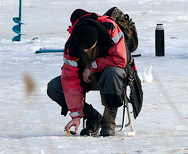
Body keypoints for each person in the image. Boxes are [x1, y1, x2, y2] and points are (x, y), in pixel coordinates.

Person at [47, 9, 130, 137]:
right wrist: (76, 115)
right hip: (85, 79)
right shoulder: (71, 46)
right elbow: (70, 79)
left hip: (112, 75)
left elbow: (120, 60)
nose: (85, 50)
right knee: (54, 87)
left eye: (89, 48)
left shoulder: (110, 29)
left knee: (112, 73)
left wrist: (92, 66)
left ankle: (108, 121)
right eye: (82, 48)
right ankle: (92, 116)